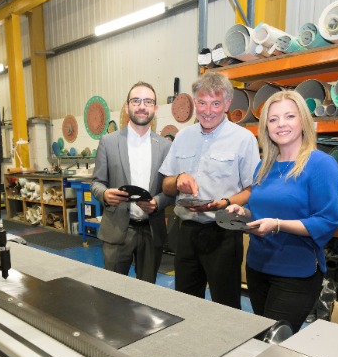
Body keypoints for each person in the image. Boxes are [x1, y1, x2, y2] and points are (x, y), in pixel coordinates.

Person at [226, 90, 338, 333]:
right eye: (273, 119)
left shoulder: (320, 164)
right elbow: (258, 209)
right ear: (266, 126)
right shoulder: (264, 165)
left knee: (273, 341)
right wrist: (243, 212)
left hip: (295, 273)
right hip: (258, 267)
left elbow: (327, 220)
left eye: (289, 116)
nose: (281, 124)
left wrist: (278, 224)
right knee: (264, 339)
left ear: (303, 121)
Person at [159, 72, 259, 308]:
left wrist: (224, 202)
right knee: (185, 302)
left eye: (216, 103)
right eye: (202, 103)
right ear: (195, 102)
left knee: (225, 306)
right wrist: (179, 180)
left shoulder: (244, 139)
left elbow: (252, 190)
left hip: (223, 233)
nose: (208, 110)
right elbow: (165, 185)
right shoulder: (183, 137)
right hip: (187, 232)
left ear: (227, 104)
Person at [91, 81, 173, 283]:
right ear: (127, 107)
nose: (142, 106)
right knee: (114, 291)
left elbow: (171, 190)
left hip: (151, 230)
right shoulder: (108, 143)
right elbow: (96, 183)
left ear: (155, 108)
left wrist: (157, 202)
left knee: (147, 293)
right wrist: (105, 194)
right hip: (118, 229)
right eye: (136, 100)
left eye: (148, 101)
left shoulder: (165, 146)